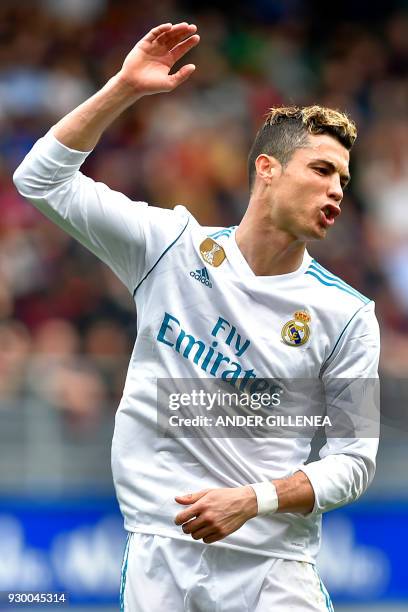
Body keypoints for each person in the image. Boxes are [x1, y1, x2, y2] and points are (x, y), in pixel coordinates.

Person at [13, 22, 380, 612]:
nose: (337, 189)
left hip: (274, 570)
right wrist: (124, 88)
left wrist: (251, 500)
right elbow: (39, 179)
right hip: (161, 556)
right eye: (320, 170)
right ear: (267, 169)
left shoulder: (347, 313)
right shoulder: (171, 246)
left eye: (344, 178)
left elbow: (355, 462)